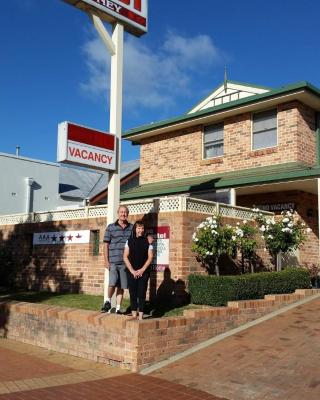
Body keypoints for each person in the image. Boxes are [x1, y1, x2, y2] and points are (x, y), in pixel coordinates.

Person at [101, 205, 133, 314]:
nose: (123, 214)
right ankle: (107, 301)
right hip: (113, 261)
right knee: (112, 283)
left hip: (125, 262)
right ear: (118, 213)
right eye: (121, 212)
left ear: (127, 214)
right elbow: (105, 245)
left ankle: (118, 308)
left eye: (125, 212)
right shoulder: (110, 227)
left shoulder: (131, 228)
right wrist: (106, 260)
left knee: (121, 286)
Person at [123, 221, 153, 320]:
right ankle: (134, 315)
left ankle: (140, 316)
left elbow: (150, 257)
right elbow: (125, 257)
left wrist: (142, 270)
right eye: (138, 228)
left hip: (144, 272)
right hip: (131, 272)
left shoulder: (148, 241)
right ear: (135, 229)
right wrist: (132, 270)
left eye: (142, 228)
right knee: (133, 294)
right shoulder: (129, 241)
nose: (141, 230)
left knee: (141, 293)